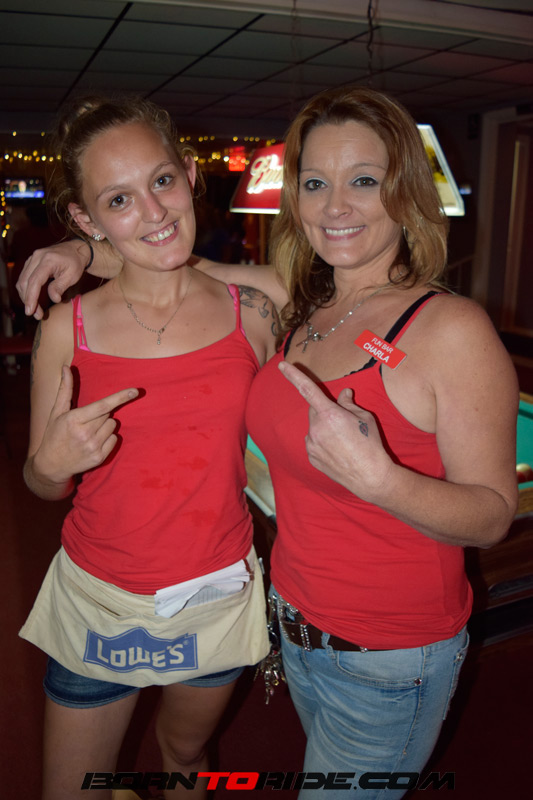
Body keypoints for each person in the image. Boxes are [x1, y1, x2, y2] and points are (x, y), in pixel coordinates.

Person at [18, 86, 519, 799]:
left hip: (301, 622)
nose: (336, 206)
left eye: (364, 180)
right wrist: (85, 247)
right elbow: (168, 261)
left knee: (189, 757)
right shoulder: (306, 310)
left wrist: (380, 479)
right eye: (314, 184)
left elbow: (491, 514)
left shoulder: (294, 308)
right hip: (223, 611)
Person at [19, 95, 278, 800]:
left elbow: (358, 293)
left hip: (215, 594)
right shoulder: (65, 329)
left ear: (190, 175)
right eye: (118, 199)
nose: (154, 210)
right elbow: (40, 482)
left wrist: (95, 251)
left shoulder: (255, 307)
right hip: (99, 598)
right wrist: (51, 464)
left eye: (162, 181)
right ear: (86, 217)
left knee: (186, 758)